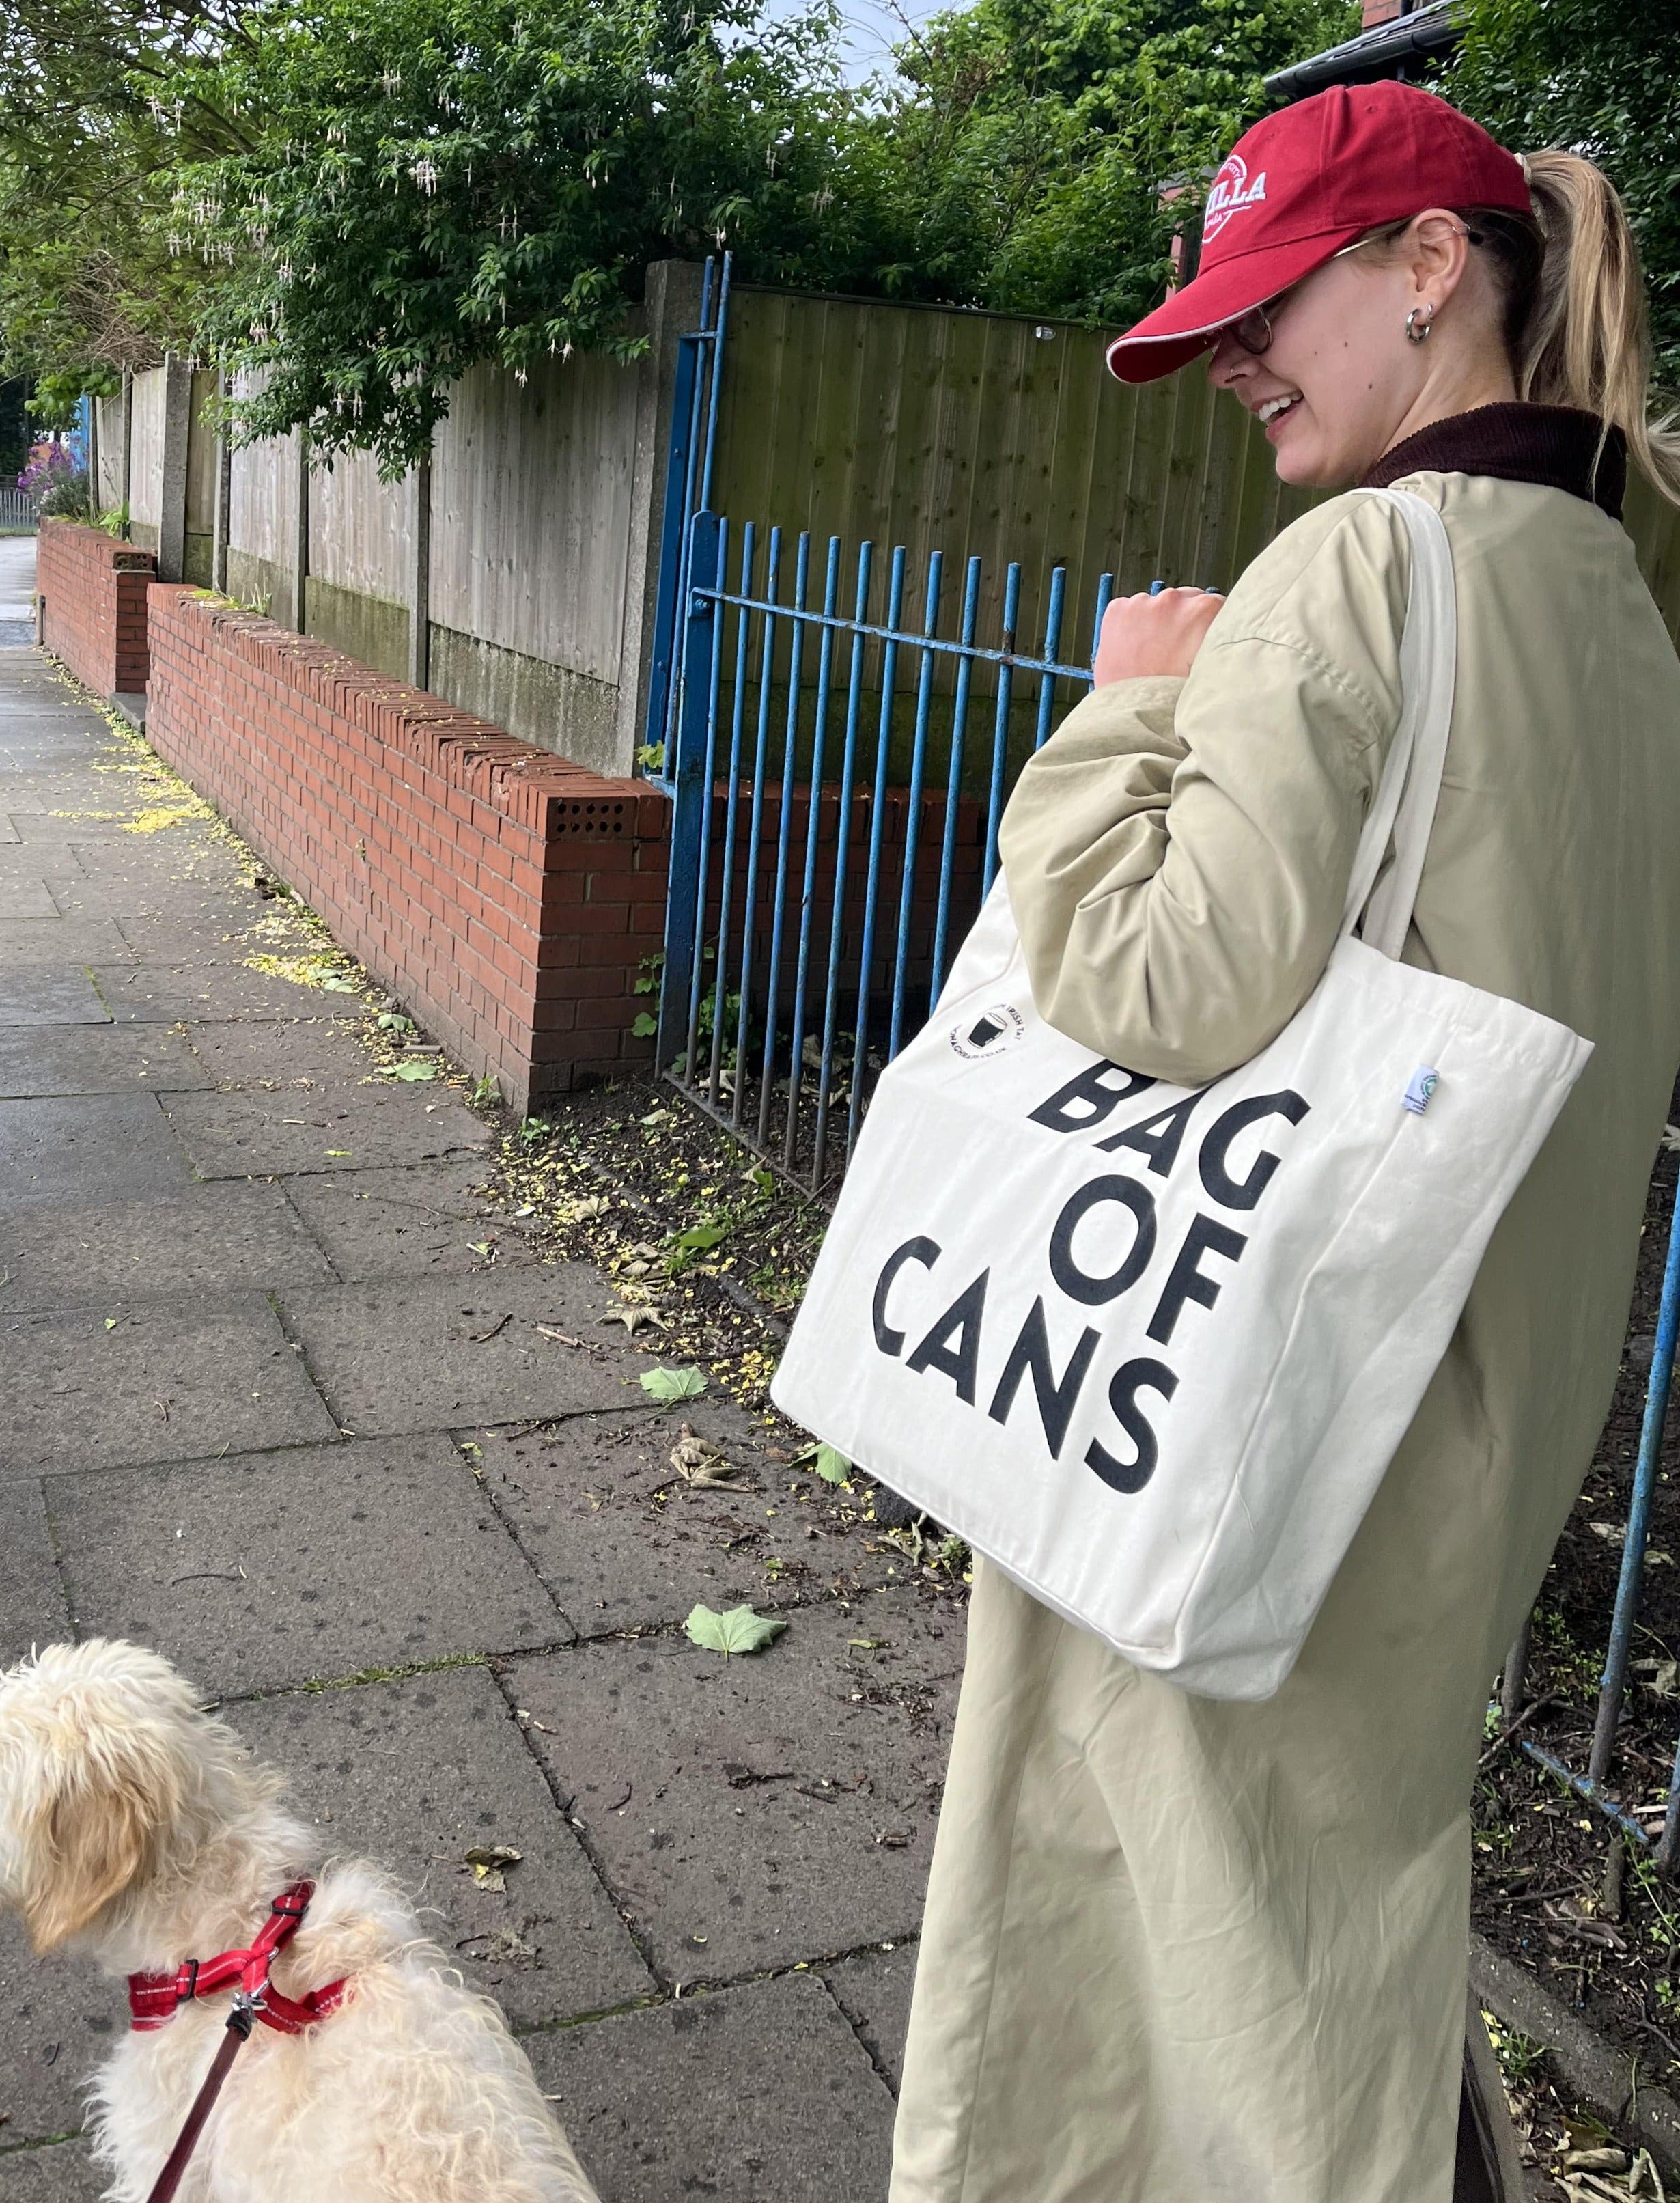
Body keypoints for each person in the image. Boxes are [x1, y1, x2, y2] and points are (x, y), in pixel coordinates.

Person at [889, 79, 1680, 2203]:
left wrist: (1123, 701)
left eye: (1268, 306)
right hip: (1478, 1405)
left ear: (1430, 271)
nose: (1232, 358)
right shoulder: (1614, 594)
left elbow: (1153, 988)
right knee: (1335, 1930)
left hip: (1260, 1406)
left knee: (1175, 1982)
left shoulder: (1350, 569)